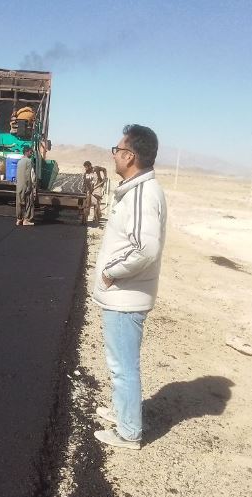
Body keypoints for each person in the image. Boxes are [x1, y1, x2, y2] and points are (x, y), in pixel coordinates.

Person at [92, 124, 167, 450]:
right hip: (125, 294)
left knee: (123, 366)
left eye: (117, 149)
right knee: (119, 363)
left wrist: (111, 272)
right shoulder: (136, 190)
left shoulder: (141, 195)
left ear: (130, 155)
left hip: (126, 297)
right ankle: (122, 412)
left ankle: (128, 432)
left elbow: (144, 250)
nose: (114, 155)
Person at [15, 146, 35, 226]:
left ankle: (19, 219)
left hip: (19, 185)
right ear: (26, 152)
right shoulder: (28, 161)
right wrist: (29, 186)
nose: (31, 153)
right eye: (30, 152)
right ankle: (26, 220)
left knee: (19, 202)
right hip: (26, 185)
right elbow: (28, 175)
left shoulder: (19, 161)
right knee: (29, 202)